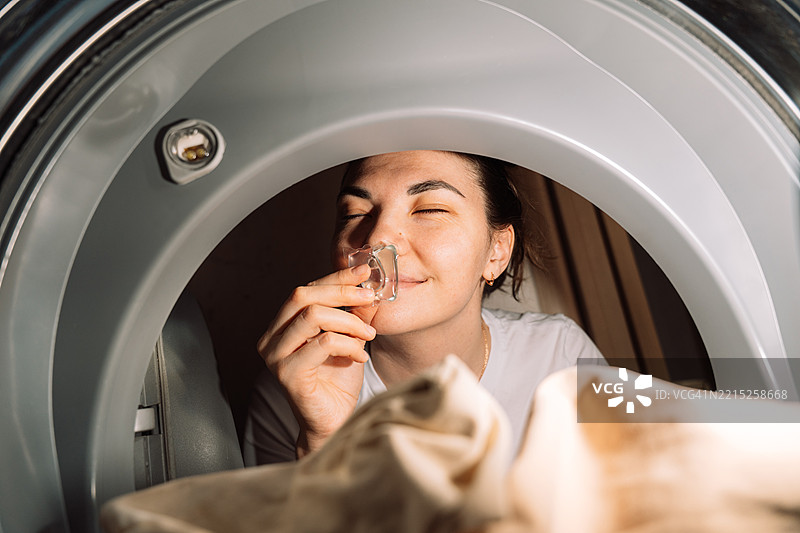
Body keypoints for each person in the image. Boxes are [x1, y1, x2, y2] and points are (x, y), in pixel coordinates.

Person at [243, 150, 604, 465]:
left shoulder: (563, 350)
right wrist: (321, 447)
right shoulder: (291, 391)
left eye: (429, 208)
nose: (377, 238)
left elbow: (655, 484)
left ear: (496, 251)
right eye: (355, 214)